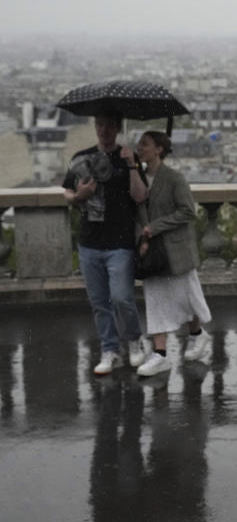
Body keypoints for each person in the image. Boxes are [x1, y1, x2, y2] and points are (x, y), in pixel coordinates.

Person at [63, 112, 148, 375]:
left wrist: (132, 165)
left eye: (109, 125)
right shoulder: (82, 157)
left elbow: (140, 196)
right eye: (100, 124)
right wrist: (81, 195)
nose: (103, 130)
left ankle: (134, 341)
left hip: (120, 241)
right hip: (90, 242)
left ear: (117, 128)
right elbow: (67, 192)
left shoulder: (128, 158)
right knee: (99, 302)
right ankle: (109, 349)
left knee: (122, 298)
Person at [134, 131, 213, 377]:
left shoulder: (174, 178)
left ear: (159, 149)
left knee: (184, 297)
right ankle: (161, 353)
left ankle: (197, 334)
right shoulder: (138, 178)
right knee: (155, 298)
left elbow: (188, 211)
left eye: (145, 144)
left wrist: (153, 228)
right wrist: (141, 238)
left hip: (174, 248)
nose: (140, 148)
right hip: (152, 248)